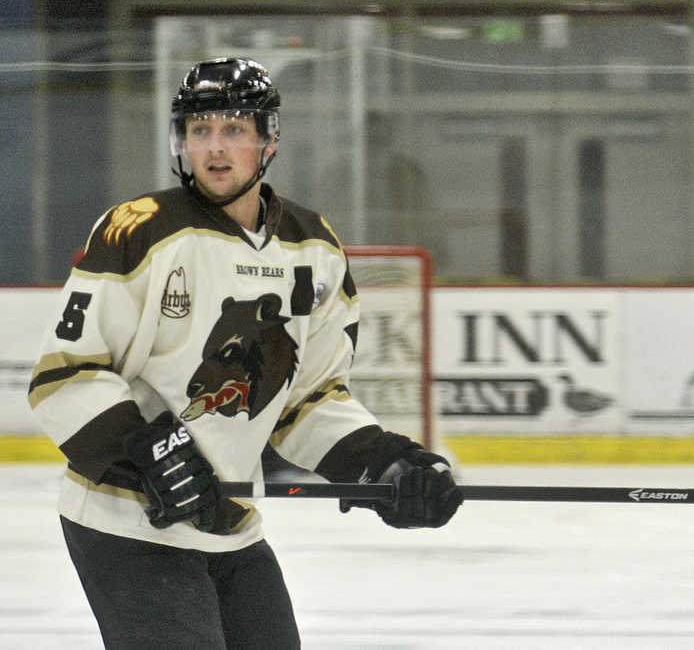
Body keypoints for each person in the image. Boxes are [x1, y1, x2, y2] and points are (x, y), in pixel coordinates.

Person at [27, 56, 462, 649]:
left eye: (234, 129)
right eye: (199, 130)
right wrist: (149, 453)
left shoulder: (315, 249)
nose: (213, 148)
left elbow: (307, 401)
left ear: (268, 140)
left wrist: (384, 465)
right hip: (126, 519)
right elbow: (66, 376)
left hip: (228, 522)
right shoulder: (139, 230)